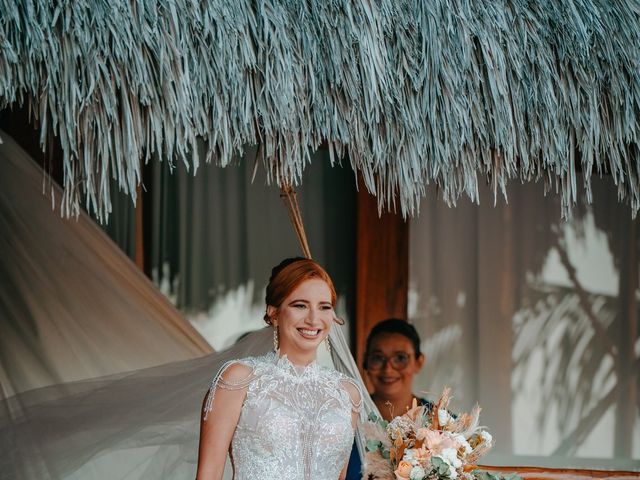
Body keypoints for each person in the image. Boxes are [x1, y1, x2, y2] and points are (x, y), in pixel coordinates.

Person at [196, 257, 362, 480]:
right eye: (300, 305)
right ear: (273, 312)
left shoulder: (347, 392)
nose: (313, 319)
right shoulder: (239, 379)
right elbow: (209, 475)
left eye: (324, 307)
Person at [346, 318, 428, 480]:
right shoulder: (345, 420)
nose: (388, 369)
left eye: (400, 358)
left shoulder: (443, 426)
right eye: (378, 358)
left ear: (418, 362)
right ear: (365, 363)